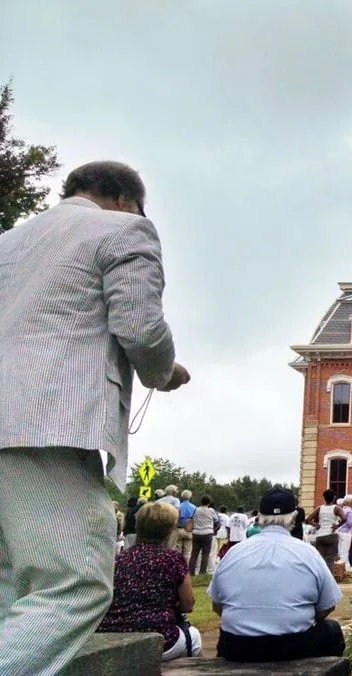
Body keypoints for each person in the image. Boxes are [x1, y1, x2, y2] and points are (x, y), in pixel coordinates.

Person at [0, 161, 191, 675]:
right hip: (45, 423)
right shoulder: (123, 228)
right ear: (127, 199)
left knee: (11, 586)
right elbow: (141, 327)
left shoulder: (8, 241)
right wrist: (163, 373)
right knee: (77, 583)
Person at [208, 488, 344, 662]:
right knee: (331, 630)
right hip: (294, 646)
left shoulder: (234, 552)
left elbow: (218, 605)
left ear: (260, 517)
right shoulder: (308, 553)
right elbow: (327, 606)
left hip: (238, 646)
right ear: (294, 518)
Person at [98, 501, 202, 660]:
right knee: (194, 638)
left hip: (112, 636)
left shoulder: (119, 559)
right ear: (168, 531)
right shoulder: (173, 559)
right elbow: (188, 604)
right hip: (159, 638)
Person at [307, 489, 345, 575]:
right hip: (331, 536)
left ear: (324, 498)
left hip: (320, 536)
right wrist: (337, 525)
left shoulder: (319, 508)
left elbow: (308, 519)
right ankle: (329, 582)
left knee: (320, 560)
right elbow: (344, 518)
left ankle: (320, 579)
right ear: (334, 498)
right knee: (330, 560)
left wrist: (316, 525)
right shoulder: (337, 508)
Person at [189, 495, 219, 576]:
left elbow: (192, 518)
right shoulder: (211, 510)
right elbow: (216, 519)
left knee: (194, 553)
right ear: (209, 503)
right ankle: (202, 573)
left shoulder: (196, 509)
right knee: (205, 554)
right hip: (207, 533)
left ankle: (191, 572)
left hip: (196, 533)